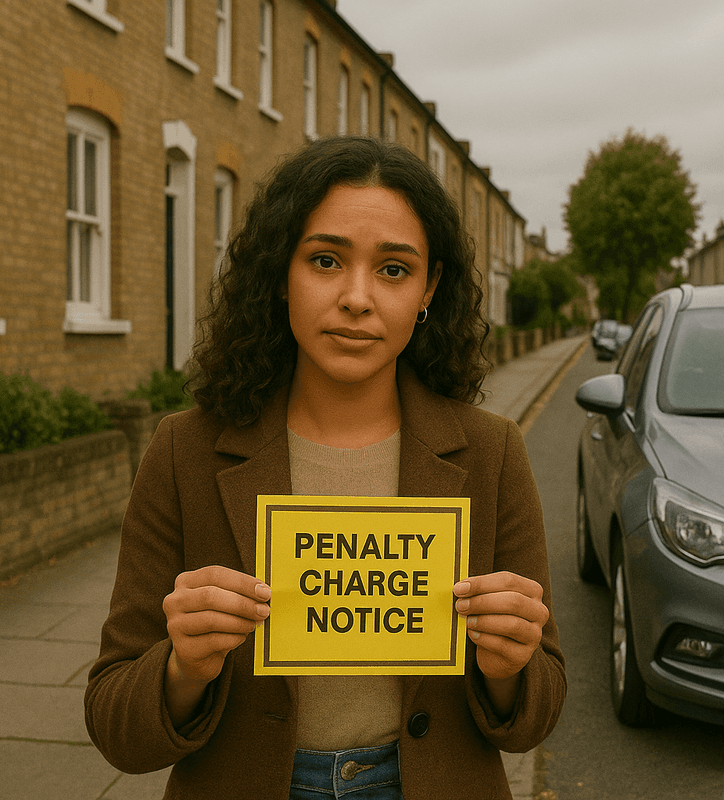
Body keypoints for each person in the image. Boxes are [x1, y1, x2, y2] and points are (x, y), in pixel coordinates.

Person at [84, 135, 565, 800]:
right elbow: (114, 721)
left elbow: (538, 712)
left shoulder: (491, 453)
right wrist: (181, 669)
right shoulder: (184, 451)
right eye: (326, 260)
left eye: (394, 270)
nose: (357, 297)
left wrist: (511, 667)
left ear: (429, 288)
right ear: (281, 271)